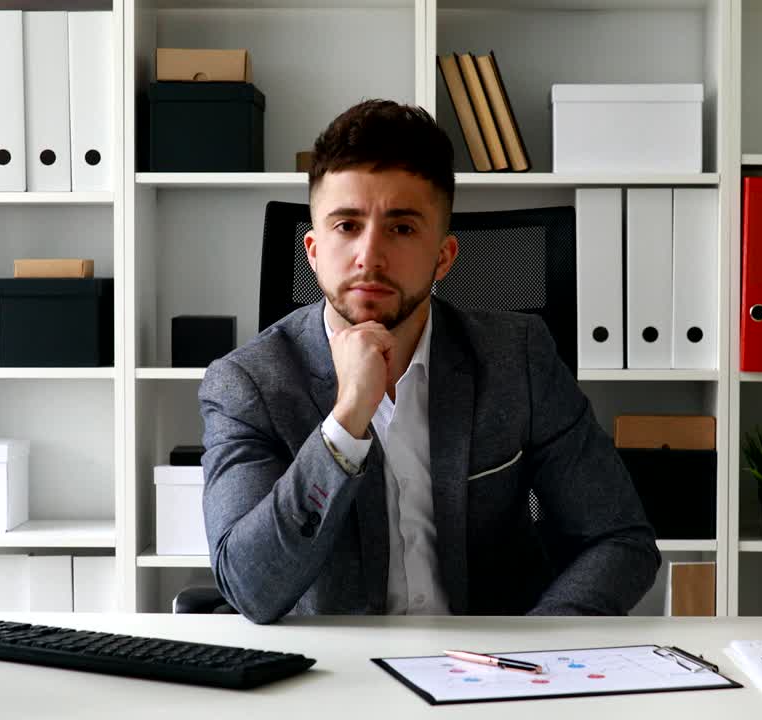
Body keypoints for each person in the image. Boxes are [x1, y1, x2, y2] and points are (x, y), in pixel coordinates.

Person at [199, 99, 660, 624]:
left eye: (401, 228)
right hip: (339, 681)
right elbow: (249, 588)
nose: (369, 255)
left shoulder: (518, 357)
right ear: (312, 248)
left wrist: (537, 650)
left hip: (494, 678)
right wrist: (346, 421)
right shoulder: (248, 383)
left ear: (444, 256)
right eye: (347, 225)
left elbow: (619, 538)